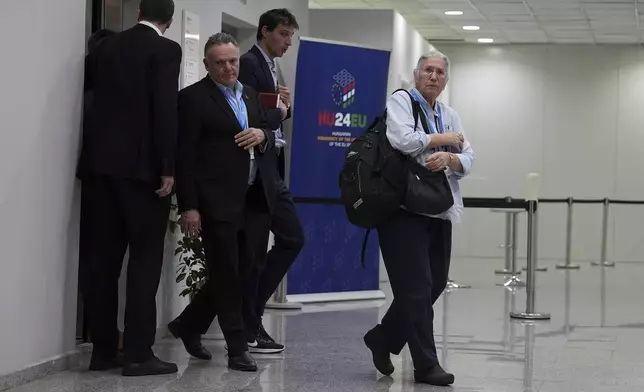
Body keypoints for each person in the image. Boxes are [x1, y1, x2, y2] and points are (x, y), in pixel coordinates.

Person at [77, 0, 182, 377]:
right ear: (168, 21)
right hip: (142, 173)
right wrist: (168, 167)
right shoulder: (166, 49)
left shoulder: (105, 47)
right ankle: (138, 353)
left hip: (98, 169)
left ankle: (103, 351)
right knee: (144, 262)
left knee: (102, 262)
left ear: (138, 11)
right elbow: (164, 108)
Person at [362, 51, 475, 386]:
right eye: (428, 70)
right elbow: (403, 140)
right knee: (415, 289)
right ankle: (427, 365)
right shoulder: (401, 101)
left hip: (438, 207)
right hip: (402, 209)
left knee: (434, 283)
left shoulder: (449, 113)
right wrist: (445, 141)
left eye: (440, 72)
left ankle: (383, 338)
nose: (434, 76)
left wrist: (451, 160)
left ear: (446, 80)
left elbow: (469, 155)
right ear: (416, 74)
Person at [168, 32, 278, 372]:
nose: (230, 68)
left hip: (253, 197)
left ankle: (188, 323)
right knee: (227, 273)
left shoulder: (248, 94)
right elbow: (183, 157)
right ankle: (235, 347)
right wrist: (189, 206)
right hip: (216, 201)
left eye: (233, 61)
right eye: (221, 63)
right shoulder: (191, 99)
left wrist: (263, 135)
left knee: (247, 269)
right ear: (206, 64)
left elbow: (266, 133)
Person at [237, 8, 305, 354]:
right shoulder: (249, 63)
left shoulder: (271, 65)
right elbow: (249, 115)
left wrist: (284, 109)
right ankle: (249, 320)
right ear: (264, 32)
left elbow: (274, 114)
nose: (287, 41)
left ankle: (193, 322)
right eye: (282, 34)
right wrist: (279, 111)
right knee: (255, 255)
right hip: (257, 175)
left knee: (288, 240)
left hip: (270, 170)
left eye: (291, 35)